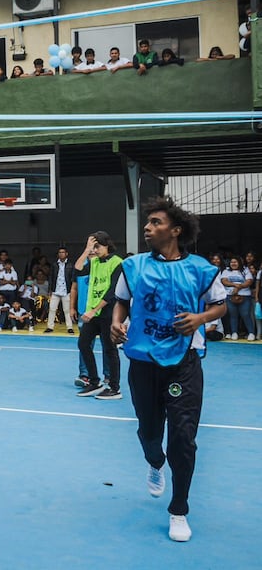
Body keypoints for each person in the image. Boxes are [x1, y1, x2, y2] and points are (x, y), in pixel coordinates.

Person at [110, 196, 226, 543]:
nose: (148, 228)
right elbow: (121, 302)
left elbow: (219, 306)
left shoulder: (202, 269)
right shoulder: (134, 266)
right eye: (147, 223)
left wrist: (199, 319)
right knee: (149, 431)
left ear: (175, 230)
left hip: (184, 363)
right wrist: (117, 324)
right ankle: (154, 461)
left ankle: (179, 509)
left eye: (156, 223)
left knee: (183, 438)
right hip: (143, 362)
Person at [74, 231, 125, 399]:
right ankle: (94, 381)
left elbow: (112, 292)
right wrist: (87, 250)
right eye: (93, 246)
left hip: (108, 312)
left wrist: (93, 311)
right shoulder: (94, 261)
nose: (95, 250)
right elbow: (78, 269)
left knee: (109, 349)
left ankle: (114, 387)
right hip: (93, 313)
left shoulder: (118, 262)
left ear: (107, 246)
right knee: (83, 344)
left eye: (98, 246)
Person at [45, 247, 76, 334]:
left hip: (66, 290)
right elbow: (51, 277)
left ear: (66, 254)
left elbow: (73, 278)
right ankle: (50, 327)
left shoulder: (70, 265)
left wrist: (72, 290)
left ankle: (69, 327)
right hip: (56, 290)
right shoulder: (54, 265)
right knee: (52, 309)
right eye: (59, 252)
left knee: (67, 310)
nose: (61, 254)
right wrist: (50, 289)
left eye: (63, 252)